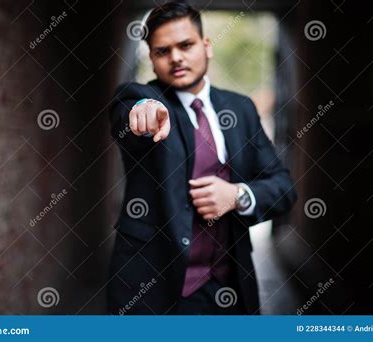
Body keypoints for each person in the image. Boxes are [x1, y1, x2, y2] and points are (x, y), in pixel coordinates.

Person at [108, 1, 297, 315]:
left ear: (206, 46)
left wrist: (238, 195)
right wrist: (143, 111)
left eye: (185, 45)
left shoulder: (241, 109)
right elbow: (128, 110)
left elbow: (283, 188)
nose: (176, 57)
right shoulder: (144, 99)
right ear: (152, 61)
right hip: (156, 289)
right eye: (162, 51)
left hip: (229, 287)